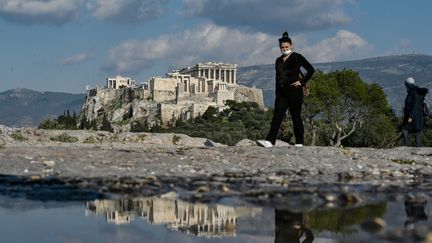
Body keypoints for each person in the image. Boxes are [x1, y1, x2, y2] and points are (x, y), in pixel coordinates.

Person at [257, 32, 315, 148]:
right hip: (281, 93)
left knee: (296, 117)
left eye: (287, 47)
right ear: (280, 48)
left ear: (291, 46)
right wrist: (277, 92)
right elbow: (277, 77)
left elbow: (311, 70)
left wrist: (302, 82)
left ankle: (299, 142)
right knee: (276, 117)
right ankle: (270, 141)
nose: (285, 49)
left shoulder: (297, 57)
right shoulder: (278, 60)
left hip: (295, 92)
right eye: (282, 47)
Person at [401, 77, 428, 147]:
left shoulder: (413, 93)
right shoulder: (417, 92)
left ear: (408, 84)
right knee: (417, 133)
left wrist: (410, 117)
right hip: (419, 117)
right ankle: (418, 148)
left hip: (413, 117)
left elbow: (414, 106)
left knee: (405, 130)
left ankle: (405, 147)